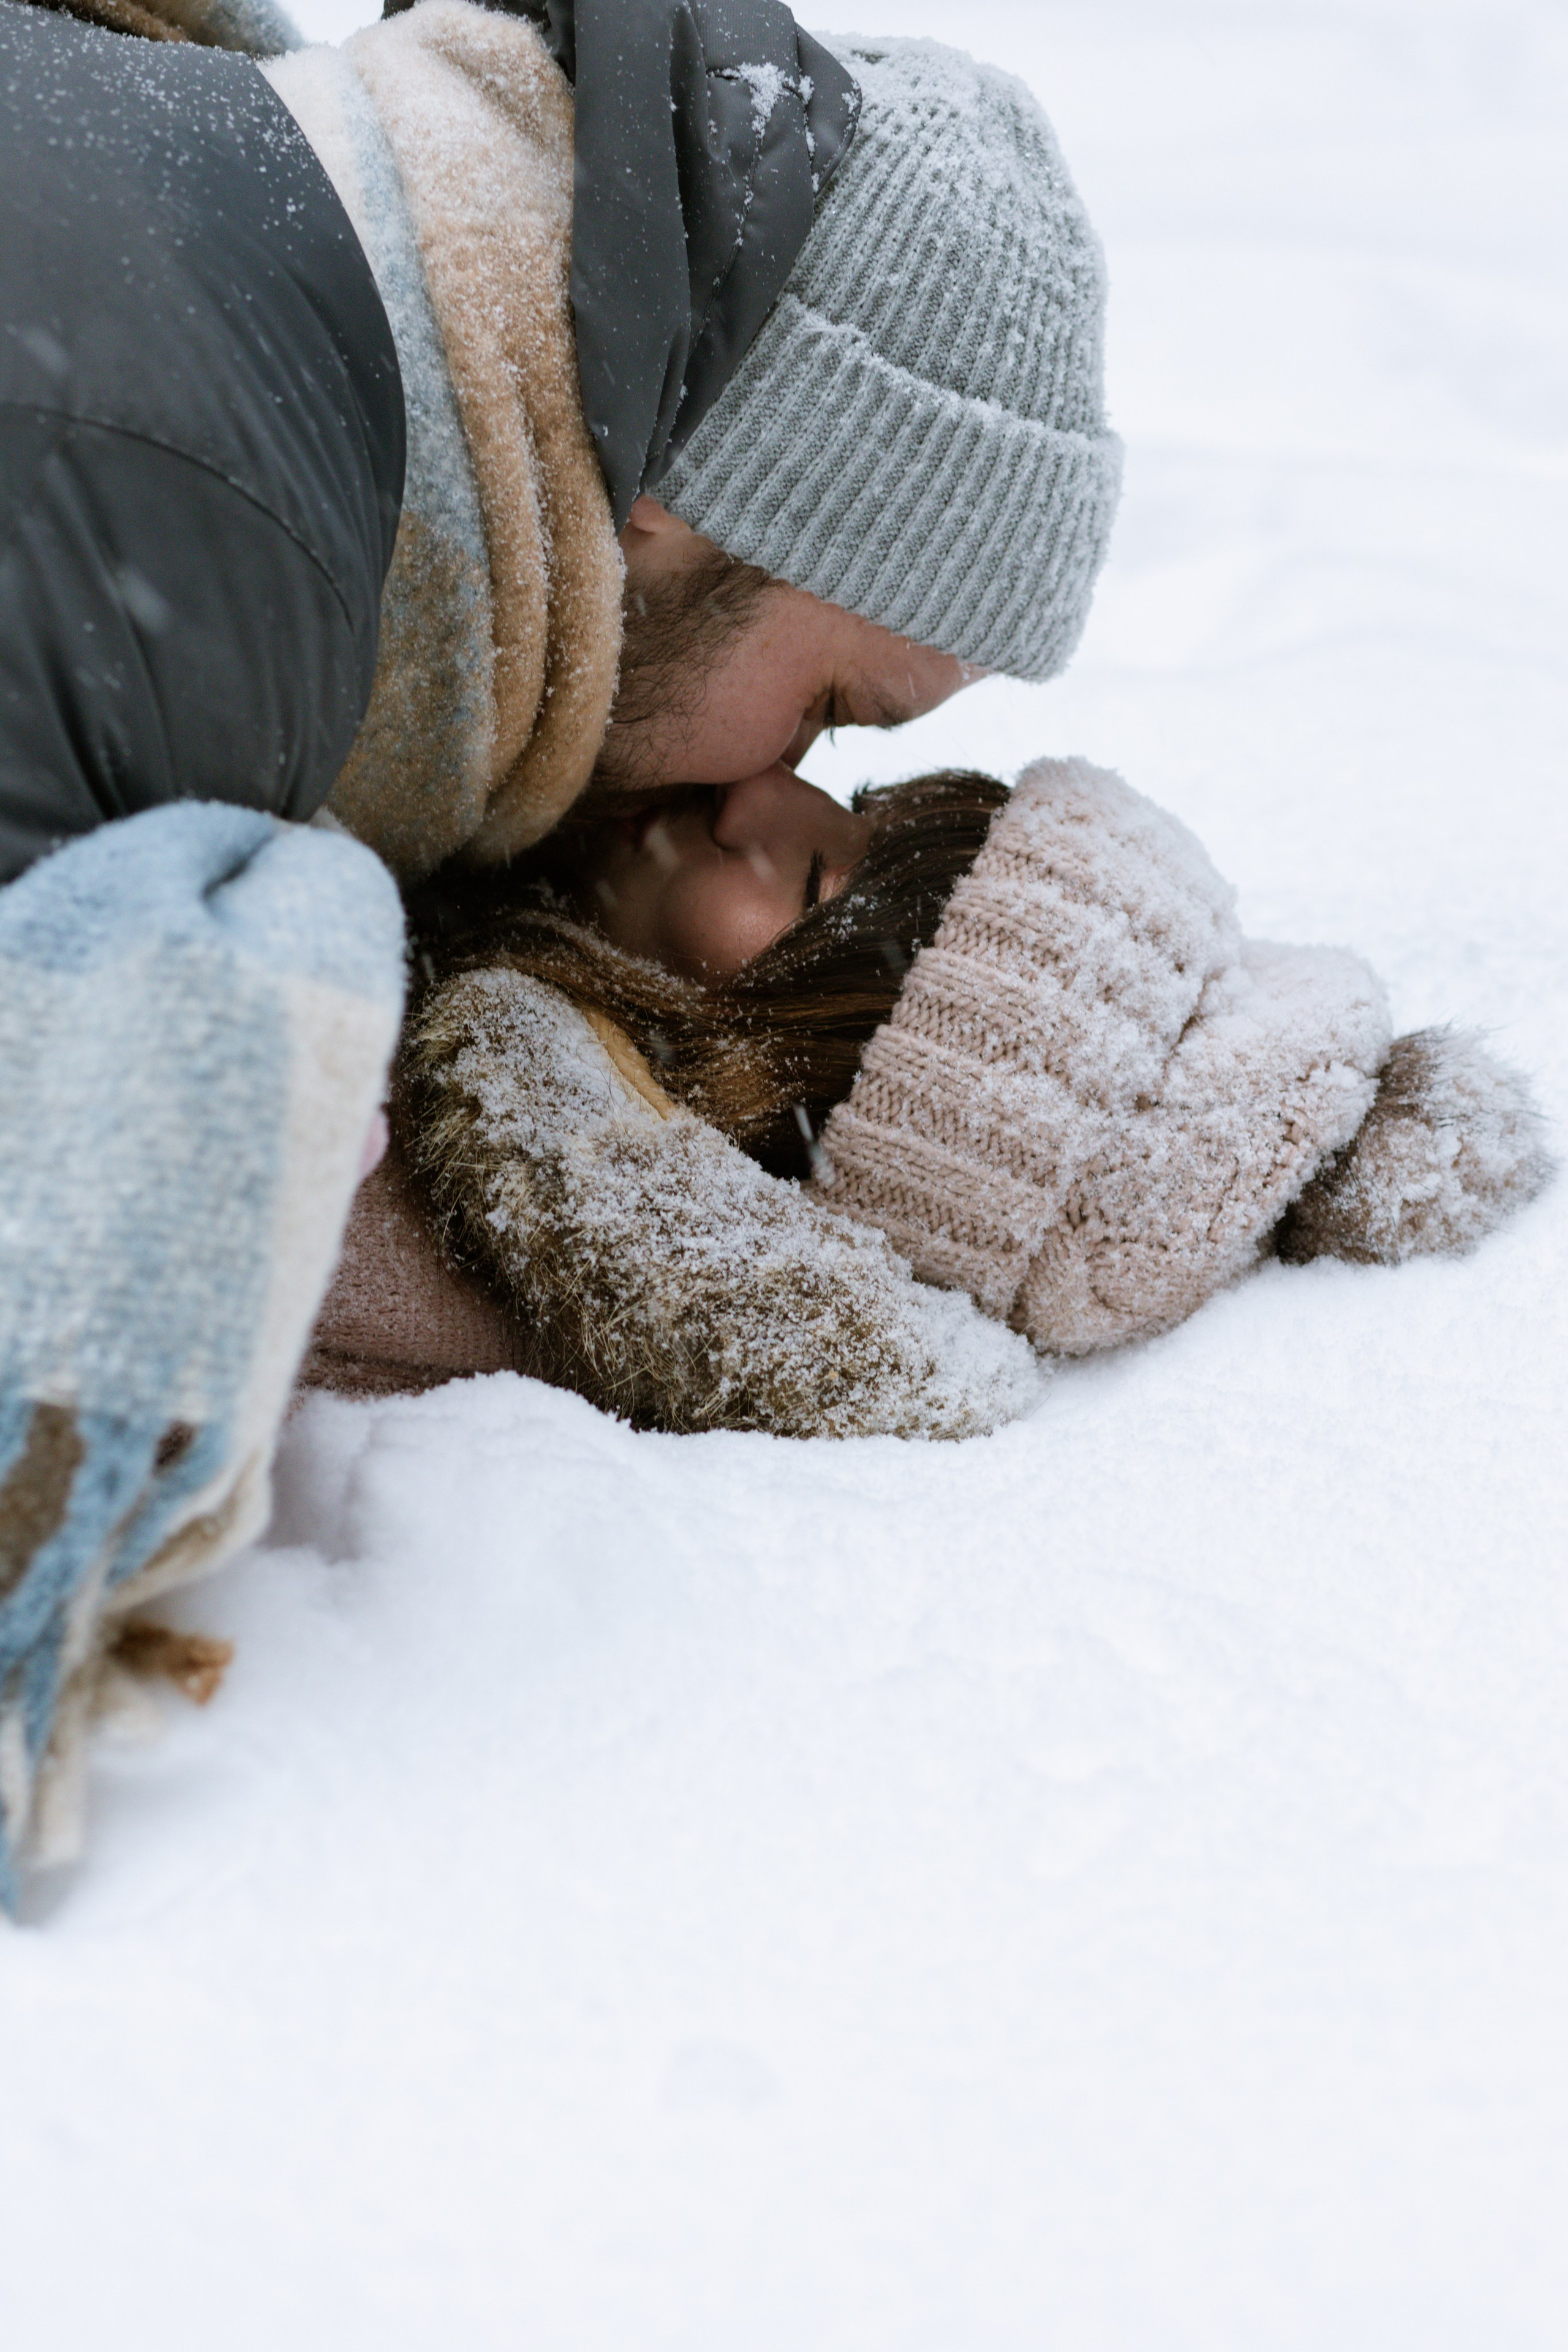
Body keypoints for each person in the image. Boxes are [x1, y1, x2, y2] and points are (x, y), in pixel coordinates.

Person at [0, 0, 1121, 1889]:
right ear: (700, 502)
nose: (777, 782)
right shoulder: (215, 531)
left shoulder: (223, 227)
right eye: (833, 705)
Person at [307, 757, 1550, 1420]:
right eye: (851, 805)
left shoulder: (444, 1194)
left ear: (782, 1075)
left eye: (808, 888)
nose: (753, 794)